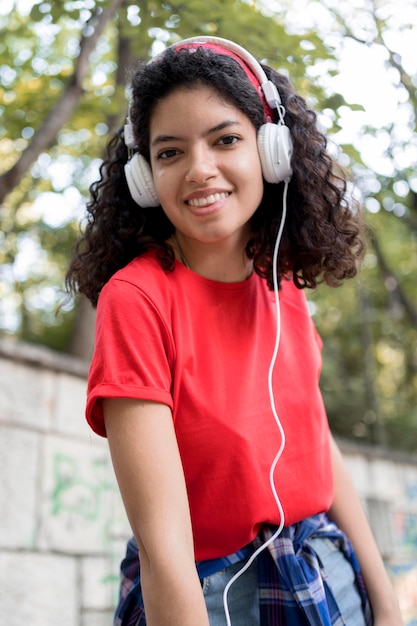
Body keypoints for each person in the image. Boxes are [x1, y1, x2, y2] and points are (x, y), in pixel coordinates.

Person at [66, 36, 403, 626]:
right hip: (211, 598)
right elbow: (163, 546)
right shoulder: (137, 299)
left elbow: (316, 444)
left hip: (327, 573)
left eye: (225, 140)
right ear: (145, 175)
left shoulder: (285, 284)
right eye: (169, 153)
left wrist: (385, 600)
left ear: (271, 151)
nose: (200, 170)